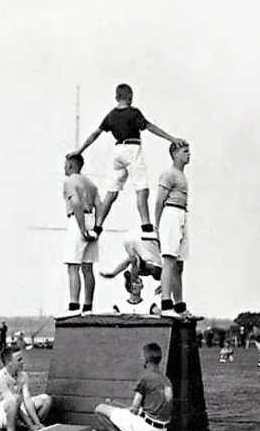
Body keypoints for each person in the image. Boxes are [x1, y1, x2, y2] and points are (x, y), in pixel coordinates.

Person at [70, 83, 186, 235]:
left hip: (117, 151)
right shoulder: (133, 112)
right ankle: (146, 226)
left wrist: (80, 150)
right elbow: (150, 127)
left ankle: (98, 227)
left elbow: (95, 134)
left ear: (116, 97)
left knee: (111, 192)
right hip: (132, 148)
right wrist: (171, 138)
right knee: (141, 189)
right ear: (130, 97)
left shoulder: (111, 115)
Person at [94, 342, 173, 431]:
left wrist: (127, 409)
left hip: (146, 429)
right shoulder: (166, 379)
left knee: (100, 409)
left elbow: (134, 408)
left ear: (146, 360)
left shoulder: (145, 378)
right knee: (122, 414)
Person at [154, 142, 193, 318]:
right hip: (171, 213)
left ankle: (179, 305)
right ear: (175, 153)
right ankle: (165, 303)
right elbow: (159, 201)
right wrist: (157, 225)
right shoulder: (168, 174)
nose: (189, 154)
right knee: (169, 259)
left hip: (182, 214)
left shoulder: (182, 175)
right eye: (185, 151)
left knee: (179, 264)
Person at [60, 153, 101, 316]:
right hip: (91, 218)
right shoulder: (91, 183)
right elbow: (100, 204)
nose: (64, 167)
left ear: (71, 165)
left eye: (65, 164)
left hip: (78, 220)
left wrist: (82, 227)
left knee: (73, 265)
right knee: (88, 267)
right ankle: (88, 306)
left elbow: (75, 202)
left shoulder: (70, 181)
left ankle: (74, 306)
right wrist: (97, 227)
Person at [0, 347, 52, 431]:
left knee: (46, 399)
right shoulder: (0, 377)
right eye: (19, 360)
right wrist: (30, 425)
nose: (23, 362)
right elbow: (12, 402)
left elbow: (27, 400)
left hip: (15, 406)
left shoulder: (23, 375)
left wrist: (37, 422)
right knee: (14, 399)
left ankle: (38, 427)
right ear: (10, 363)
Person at [101, 231, 163, 315]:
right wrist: (113, 273)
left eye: (136, 283)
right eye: (134, 283)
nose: (135, 286)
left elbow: (128, 262)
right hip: (144, 252)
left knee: (153, 270)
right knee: (140, 264)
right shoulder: (120, 305)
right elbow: (127, 262)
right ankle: (138, 266)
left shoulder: (150, 267)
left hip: (147, 257)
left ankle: (139, 266)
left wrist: (113, 273)